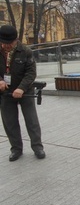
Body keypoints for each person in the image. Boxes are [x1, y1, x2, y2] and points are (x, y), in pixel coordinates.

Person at [0, 25, 45, 162]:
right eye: (3, 43)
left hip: (25, 92)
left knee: (31, 120)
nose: (6, 46)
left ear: (15, 40)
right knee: (10, 122)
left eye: (9, 43)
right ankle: (16, 149)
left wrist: (21, 88)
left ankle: (37, 147)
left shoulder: (25, 51)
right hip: (6, 93)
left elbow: (31, 73)